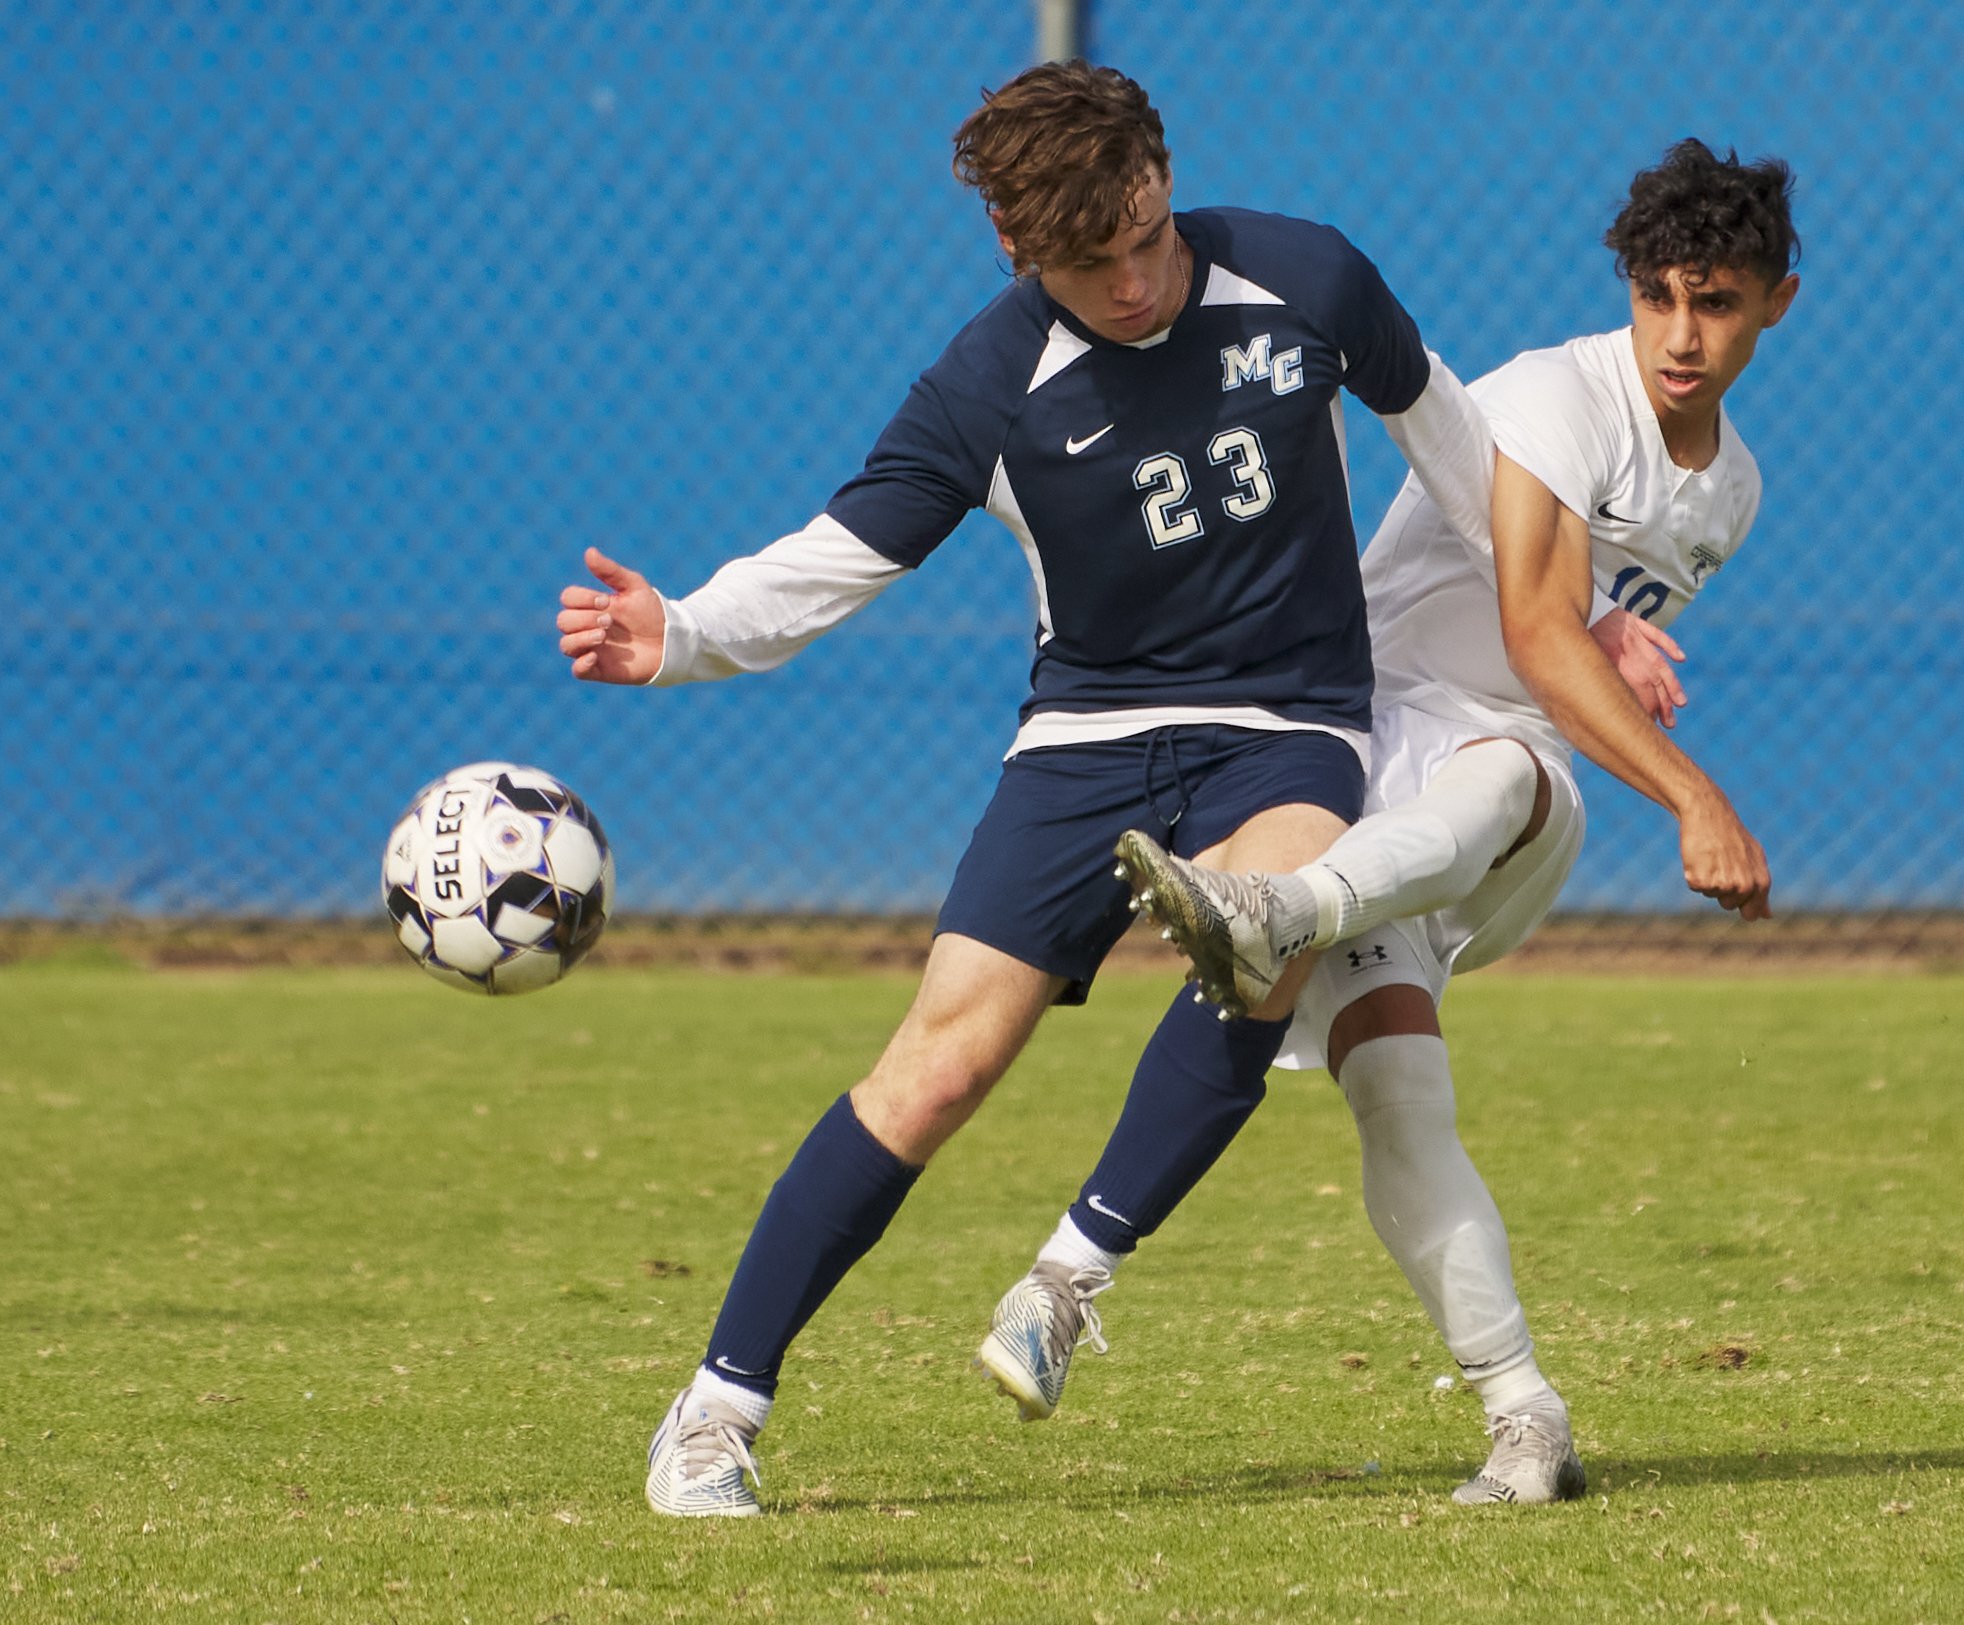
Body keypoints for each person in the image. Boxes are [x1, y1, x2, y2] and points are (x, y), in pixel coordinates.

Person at [554, 61, 1525, 1518]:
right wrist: (681, 631)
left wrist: (1562, 614)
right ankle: (712, 1414)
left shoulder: (1304, 275)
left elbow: (1459, 453)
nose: (1134, 281)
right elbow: (838, 556)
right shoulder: (987, 380)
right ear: (1013, 247)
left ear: (1163, 172)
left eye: (1146, 235)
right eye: (1091, 262)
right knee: (936, 1067)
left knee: (1259, 937)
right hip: (1084, 742)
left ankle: (1067, 1277)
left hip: (1285, 724)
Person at [996, 138, 1798, 1505]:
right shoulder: (1558, 397)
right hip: (1370, 768)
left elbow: (1548, 674)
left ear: (1776, 300)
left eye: (1714, 301)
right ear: (1625, 290)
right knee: (1400, 1102)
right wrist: (1692, 794)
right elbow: (1544, 631)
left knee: (1499, 768)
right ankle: (1520, 1417)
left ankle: (1274, 909)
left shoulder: (1730, 490)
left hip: (1493, 799)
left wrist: (1637, 717)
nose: (1679, 332)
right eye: (1657, 295)